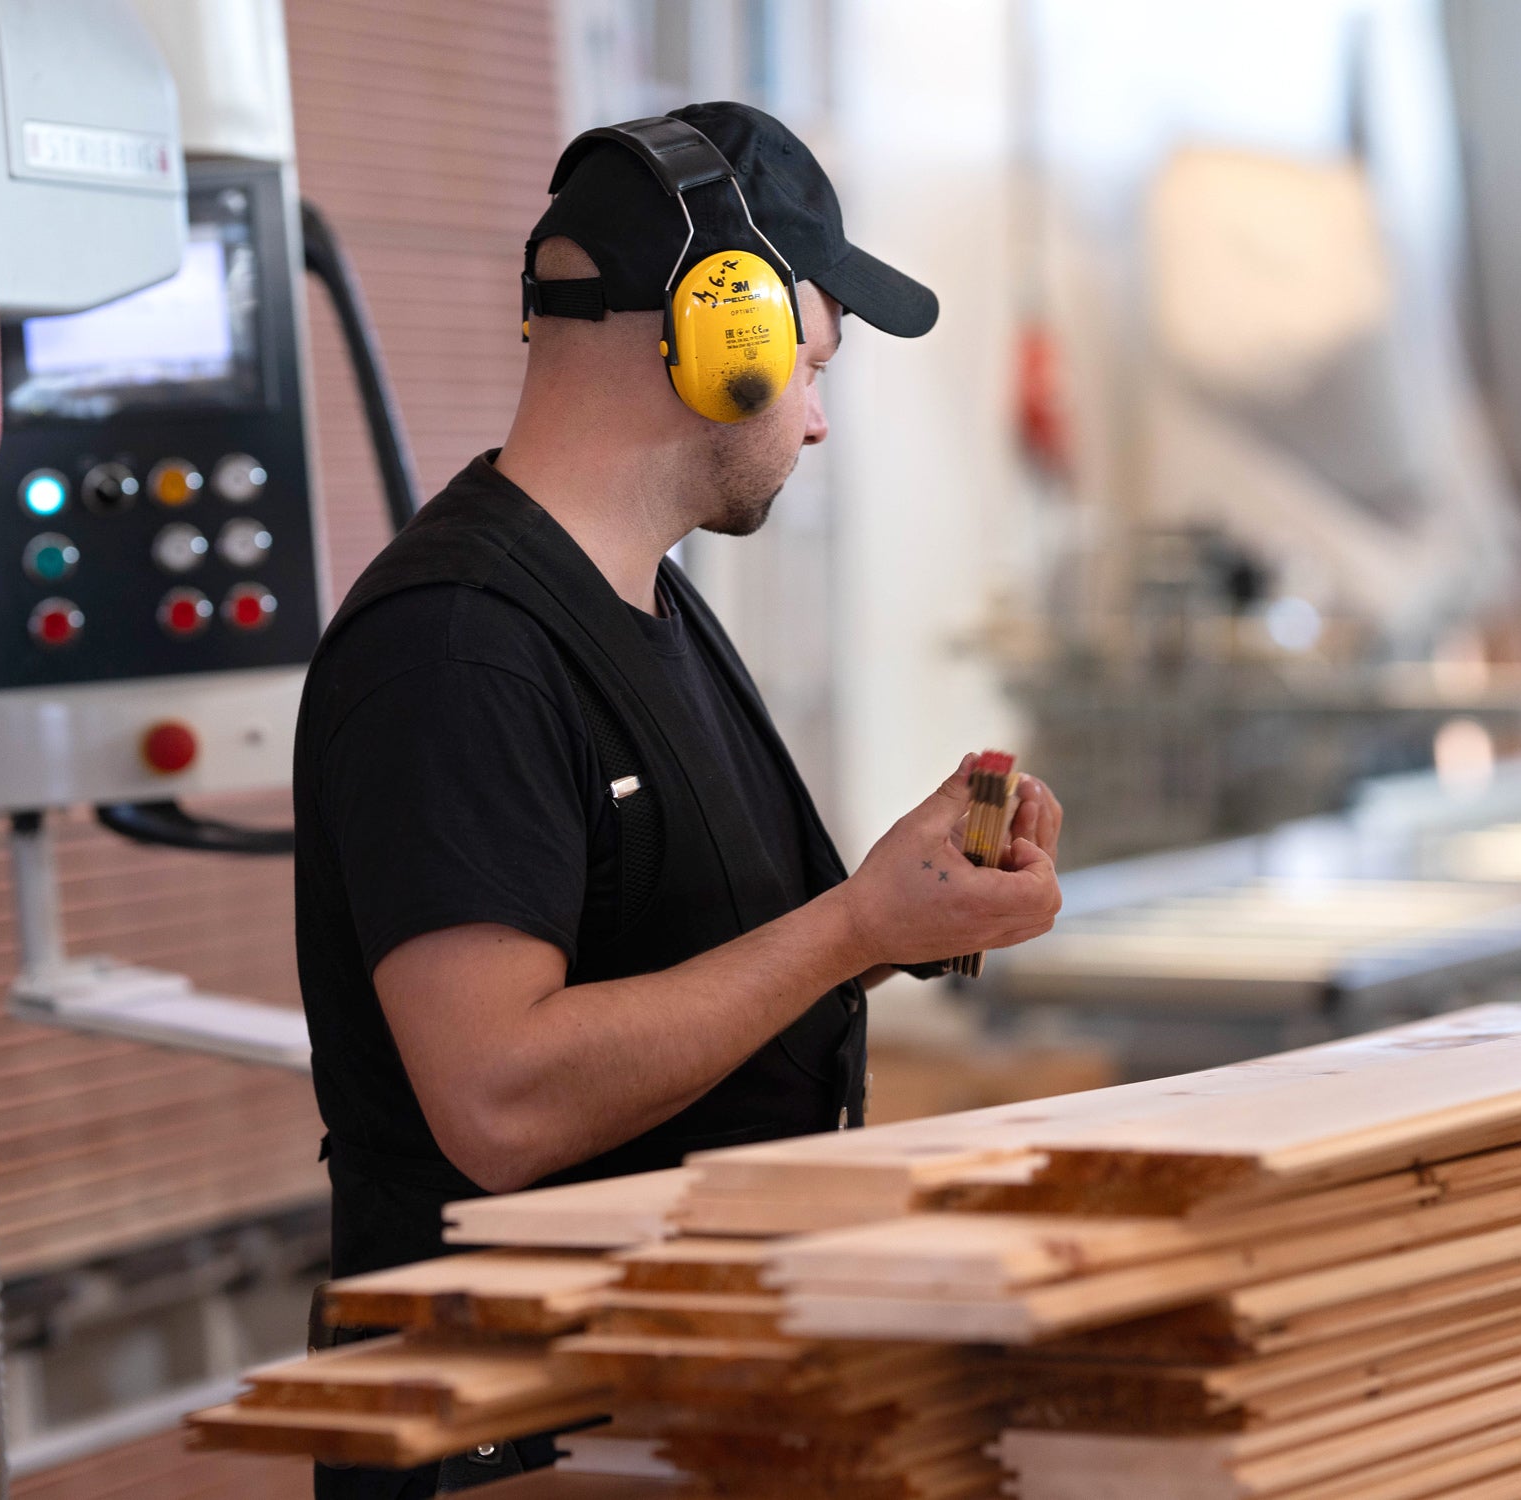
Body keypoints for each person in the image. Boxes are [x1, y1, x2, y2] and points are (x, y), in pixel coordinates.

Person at [292, 100, 1065, 1496]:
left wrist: (905, 911)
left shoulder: (637, 604)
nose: (818, 422)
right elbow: (499, 1100)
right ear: (726, 336)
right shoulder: (458, 648)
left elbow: (691, 953)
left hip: (646, 1403)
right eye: (817, 365)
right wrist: (849, 933)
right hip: (510, 1438)